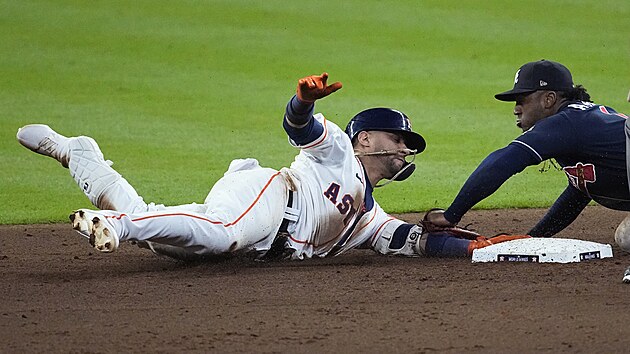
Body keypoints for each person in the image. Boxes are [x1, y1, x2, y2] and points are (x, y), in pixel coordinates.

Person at [17, 72, 525, 262]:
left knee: (169, 241)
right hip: (268, 194)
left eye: (408, 145)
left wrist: (475, 248)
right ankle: (118, 224)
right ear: (366, 138)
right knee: (220, 236)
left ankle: (85, 160)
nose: (403, 151)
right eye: (397, 140)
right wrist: (301, 102)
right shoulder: (339, 152)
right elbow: (299, 130)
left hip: (261, 236)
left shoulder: (368, 217)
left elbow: (414, 241)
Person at [424, 60, 630, 280]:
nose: (515, 108)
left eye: (522, 100)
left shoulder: (566, 123)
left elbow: (503, 161)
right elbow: (580, 190)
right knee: (625, 237)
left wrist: (451, 215)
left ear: (548, 99)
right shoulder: (580, 121)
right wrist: (533, 238)